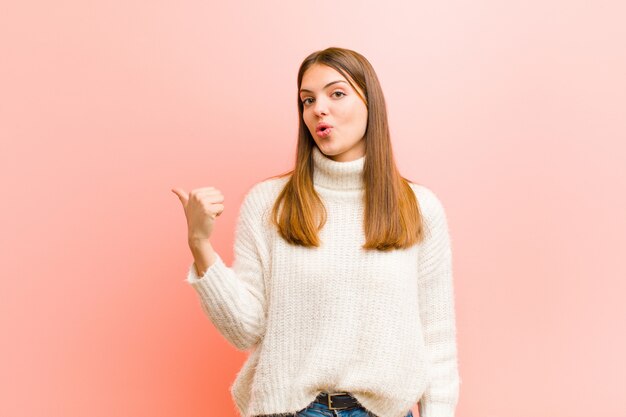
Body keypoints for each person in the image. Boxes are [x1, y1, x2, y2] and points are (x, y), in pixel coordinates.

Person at [172, 47, 460, 417]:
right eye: (307, 100)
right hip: (292, 410)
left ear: (370, 103)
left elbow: (436, 340)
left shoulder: (419, 207)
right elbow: (244, 330)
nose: (318, 109)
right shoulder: (269, 203)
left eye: (336, 93)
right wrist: (200, 244)